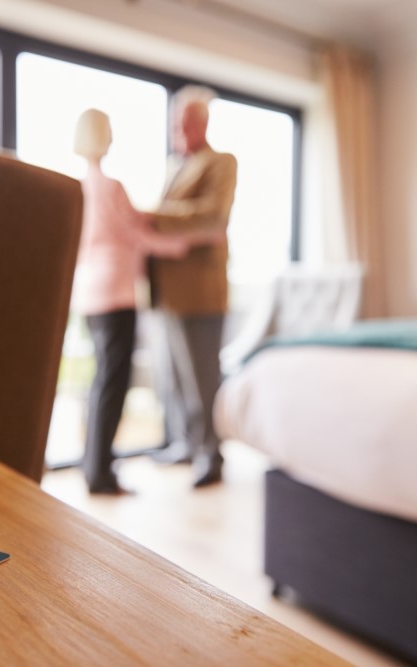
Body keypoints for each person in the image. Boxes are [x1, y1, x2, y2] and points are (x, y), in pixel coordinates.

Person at [72, 108, 215, 495]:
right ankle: (100, 473)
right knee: (113, 383)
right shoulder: (111, 186)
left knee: (100, 380)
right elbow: (137, 234)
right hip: (117, 292)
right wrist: (182, 246)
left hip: (89, 293)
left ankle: (94, 466)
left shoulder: (78, 186)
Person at [146, 86, 238, 489]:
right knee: (174, 378)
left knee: (203, 379)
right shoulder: (173, 167)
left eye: (186, 120)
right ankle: (186, 443)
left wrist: (148, 216)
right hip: (166, 292)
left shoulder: (220, 162)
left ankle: (210, 455)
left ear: (203, 123)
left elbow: (210, 220)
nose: (178, 128)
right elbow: (184, 223)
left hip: (201, 293)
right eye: (175, 121)